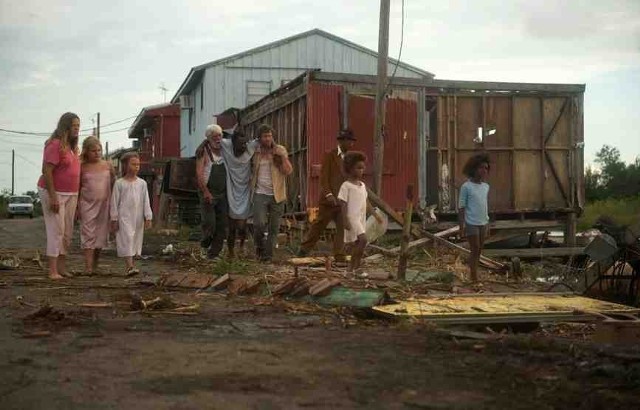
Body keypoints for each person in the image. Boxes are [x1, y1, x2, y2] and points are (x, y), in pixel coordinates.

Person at [298, 128, 356, 262]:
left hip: (342, 201)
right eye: (349, 141)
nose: (351, 144)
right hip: (328, 201)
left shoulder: (350, 159)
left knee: (342, 227)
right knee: (319, 225)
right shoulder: (330, 155)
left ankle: (339, 255)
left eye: (353, 142)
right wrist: (329, 194)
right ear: (342, 141)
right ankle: (303, 250)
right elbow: (324, 178)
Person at [37, 112, 81, 280]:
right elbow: (46, 171)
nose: (77, 129)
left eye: (78, 126)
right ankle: (52, 271)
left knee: (68, 231)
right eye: (74, 126)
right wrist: (53, 197)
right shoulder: (55, 145)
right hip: (54, 192)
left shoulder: (71, 148)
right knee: (57, 230)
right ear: (66, 126)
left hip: (71, 194)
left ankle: (62, 268)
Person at [251, 124, 293, 262]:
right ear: (259, 138)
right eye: (265, 136)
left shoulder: (279, 150)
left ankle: (267, 256)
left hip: (277, 194)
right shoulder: (255, 151)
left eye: (269, 135)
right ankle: (259, 246)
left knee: (274, 227)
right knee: (259, 224)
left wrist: (282, 157)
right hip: (259, 193)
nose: (268, 138)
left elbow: (288, 171)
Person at [338, 151, 382, 274]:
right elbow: (343, 203)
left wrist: (375, 215)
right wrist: (345, 220)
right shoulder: (346, 186)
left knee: (359, 243)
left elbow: (366, 202)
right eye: (358, 168)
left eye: (363, 168)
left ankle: (355, 267)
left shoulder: (362, 186)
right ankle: (352, 267)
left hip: (361, 219)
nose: (361, 170)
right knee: (363, 240)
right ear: (350, 169)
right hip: (352, 219)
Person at [110, 152, 152, 276]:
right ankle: (130, 266)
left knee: (135, 238)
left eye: (138, 164)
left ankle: (132, 262)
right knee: (127, 237)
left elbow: (146, 201)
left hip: (138, 217)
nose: (136, 167)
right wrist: (114, 218)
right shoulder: (119, 183)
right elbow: (114, 202)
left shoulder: (142, 183)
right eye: (133, 164)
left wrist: (148, 216)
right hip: (124, 216)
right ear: (126, 165)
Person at [78, 136, 115, 275]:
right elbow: (77, 186)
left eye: (99, 150)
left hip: (105, 204)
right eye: (93, 150)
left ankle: (95, 264)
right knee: (88, 234)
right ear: (86, 151)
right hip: (87, 203)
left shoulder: (108, 165)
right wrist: (76, 207)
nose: (97, 153)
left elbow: (113, 183)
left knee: (101, 235)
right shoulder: (82, 166)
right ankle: (88, 267)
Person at [220, 130, 258, 258]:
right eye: (240, 144)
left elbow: (265, 140)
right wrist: (203, 145)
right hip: (231, 187)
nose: (243, 147)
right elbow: (212, 139)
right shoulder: (226, 145)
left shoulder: (249, 148)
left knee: (242, 225)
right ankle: (230, 252)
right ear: (233, 143)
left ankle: (241, 247)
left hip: (245, 190)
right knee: (231, 227)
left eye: (244, 144)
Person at [195, 124, 228, 259]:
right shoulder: (203, 151)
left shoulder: (226, 150)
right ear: (209, 138)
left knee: (222, 225)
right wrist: (206, 192)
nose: (218, 138)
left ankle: (214, 253)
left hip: (223, 192)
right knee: (210, 223)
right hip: (208, 191)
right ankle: (204, 245)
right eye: (215, 136)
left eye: (220, 135)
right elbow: (199, 173)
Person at [458, 153, 491, 283]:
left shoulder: (486, 187)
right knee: (475, 248)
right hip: (471, 222)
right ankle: (473, 277)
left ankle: (474, 272)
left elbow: (485, 205)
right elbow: (461, 207)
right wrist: (462, 226)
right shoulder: (466, 187)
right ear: (474, 169)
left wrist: (487, 223)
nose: (484, 171)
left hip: (483, 222)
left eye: (486, 168)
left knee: (479, 250)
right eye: (481, 168)